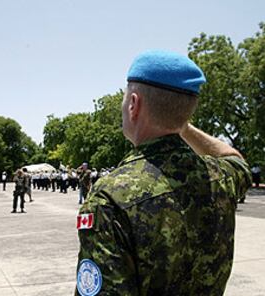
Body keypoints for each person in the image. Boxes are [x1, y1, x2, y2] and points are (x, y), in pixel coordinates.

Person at [75, 50, 252, 296]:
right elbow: (235, 159)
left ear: (134, 105)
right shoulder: (221, 177)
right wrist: (181, 123)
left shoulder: (109, 199)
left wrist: (177, 121)